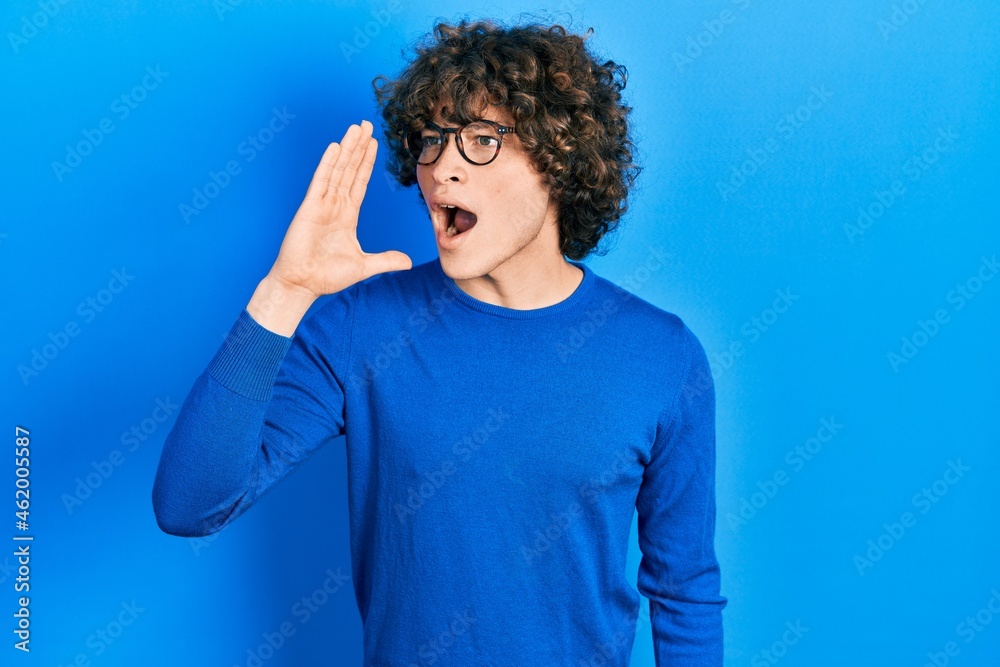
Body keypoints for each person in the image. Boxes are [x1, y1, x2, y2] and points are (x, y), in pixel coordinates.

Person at [152, 16, 727, 666]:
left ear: (559, 160)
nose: (443, 166)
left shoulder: (663, 357)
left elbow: (684, 590)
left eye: (481, 138)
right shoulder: (359, 328)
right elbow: (190, 503)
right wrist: (286, 289)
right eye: (432, 140)